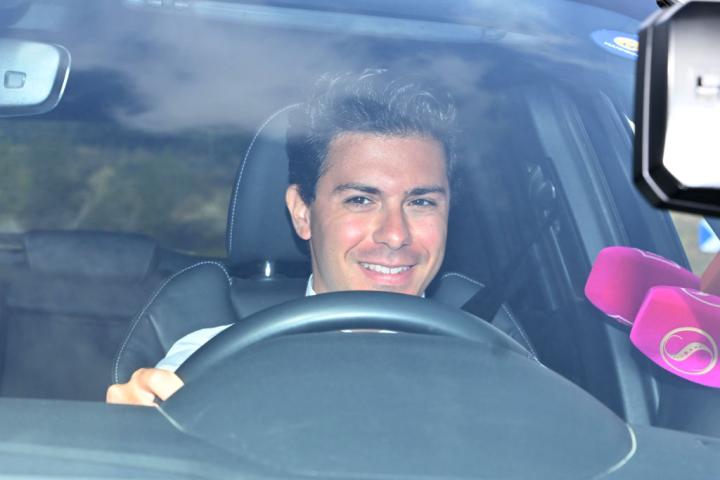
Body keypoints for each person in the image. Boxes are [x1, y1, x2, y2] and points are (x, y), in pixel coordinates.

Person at [106, 69, 458, 406]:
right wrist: (135, 425)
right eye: (360, 200)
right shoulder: (212, 361)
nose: (395, 235)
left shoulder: (489, 363)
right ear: (302, 212)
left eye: (421, 202)